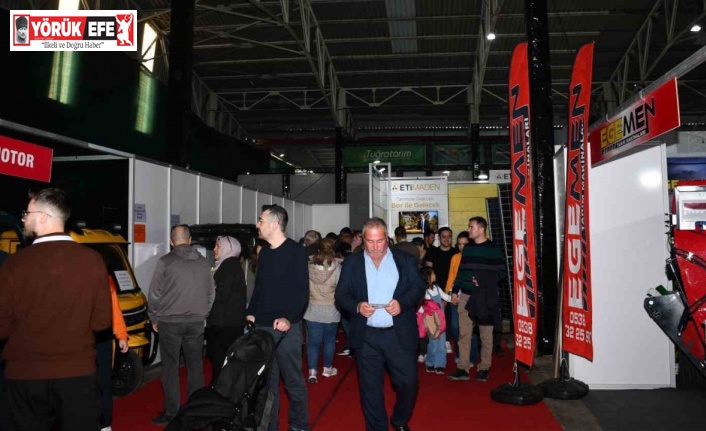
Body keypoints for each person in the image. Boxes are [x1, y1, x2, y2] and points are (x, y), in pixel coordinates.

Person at [0, 188, 112, 431]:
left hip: (24, 378)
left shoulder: (13, 264)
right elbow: (102, 322)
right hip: (78, 376)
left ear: (43, 217)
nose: (23, 219)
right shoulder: (92, 260)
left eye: (27, 213)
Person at [335, 217, 424, 431]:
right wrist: (357, 306)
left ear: (388, 239)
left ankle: (400, 420)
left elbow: (418, 288)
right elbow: (341, 294)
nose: (375, 246)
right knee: (370, 389)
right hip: (367, 336)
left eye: (380, 241)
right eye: (370, 241)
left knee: (408, 383)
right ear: (363, 240)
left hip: (398, 334)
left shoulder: (405, 260)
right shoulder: (352, 262)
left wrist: (402, 303)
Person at [247, 204, 310, 431]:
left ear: (274, 224)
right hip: (262, 328)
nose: (257, 225)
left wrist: (288, 318)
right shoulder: (264, 254)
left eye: (261, 220)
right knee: (267, 384)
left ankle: (299, 425)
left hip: (286, 329)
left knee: (293, 382)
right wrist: (251, 312)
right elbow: (259, 288)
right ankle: (269, 426)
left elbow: (302, 291)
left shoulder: (296, 251)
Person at [148, 225, 215, 425]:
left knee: (170, 368)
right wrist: (203, 313)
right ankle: (195, 412)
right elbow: (211, 293)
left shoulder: (165, 261)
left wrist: (154, 317)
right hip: (196, 322)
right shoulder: (203, 262)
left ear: (171, 241)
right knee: (195, 366)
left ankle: (172, 413)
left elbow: (154, 295)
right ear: (190, 240)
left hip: (169, 322)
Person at [448, 217, 504, 382]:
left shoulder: (493, 248)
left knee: (486, 335)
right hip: (466, 295)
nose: (468, 229)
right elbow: (461, 271)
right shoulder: (468, 248)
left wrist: (484, 280)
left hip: (485, 297)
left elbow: (502, 272)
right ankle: (463, 368)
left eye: (471, 227)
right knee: (464, 334)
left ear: (481, 229)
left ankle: (484, 368)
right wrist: (455, 291)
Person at [207, 236, 247, 385]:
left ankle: (220, 389)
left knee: (221, 360)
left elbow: (221, 295)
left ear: (228, 249)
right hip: (227, 322)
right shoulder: (229, 265)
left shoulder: (228, 267)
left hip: (224, 324)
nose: (214, 249)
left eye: (218, 246)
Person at [304, 238, 341, 383]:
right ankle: (327, 369)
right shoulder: (337, 266)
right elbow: (340, 287)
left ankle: (312, 371)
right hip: (331, 308)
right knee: (329, 340)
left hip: (312, 307)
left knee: (313, 342)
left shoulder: (309, 266)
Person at [96, 276, 130, 431]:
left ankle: (105, 424)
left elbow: (114, 308)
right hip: (84, 341)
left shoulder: (104, 280)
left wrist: (121, 335)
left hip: (100, 340)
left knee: (103, 383)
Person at [444, 231, 478, 367]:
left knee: (469, 329)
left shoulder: (475, 258)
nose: (462, 247)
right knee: (455, 327)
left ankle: (471, 357)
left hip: (470, 297)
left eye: (464, 244)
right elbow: (451, 276)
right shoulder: (455, 257)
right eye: (459, 244)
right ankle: (460, 354)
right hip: (455, 296)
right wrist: (447, 294)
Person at [424, 227, 458, 358]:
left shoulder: (456, 253)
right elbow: (427, 272)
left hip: (453, 290)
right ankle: (431, 346)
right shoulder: (432, 252)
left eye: (449, 236)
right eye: (443, 236)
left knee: (451, 320)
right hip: (435, 291)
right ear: (439, 238)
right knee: (433, 319)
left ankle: (448, 341)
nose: (446, 239)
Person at [418, 267, 452, 374]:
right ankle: (430, 362)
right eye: (433, 274)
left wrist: (453, 299)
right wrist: (425, 316)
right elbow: (419, 306)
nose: (435, 275)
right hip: (431, 322)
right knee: (433, 344)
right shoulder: (423, 291)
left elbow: (446, 297)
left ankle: (440, 364)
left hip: (441, 321)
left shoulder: (437, 288)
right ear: (428, 277)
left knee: (441, 344)